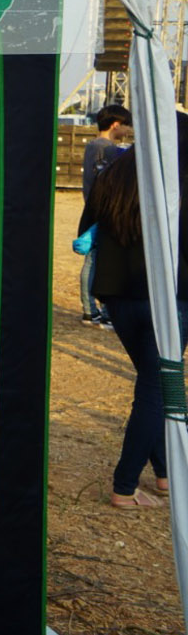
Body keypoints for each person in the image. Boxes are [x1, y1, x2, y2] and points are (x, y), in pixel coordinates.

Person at [80, 138, 181, 509]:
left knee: (154, 385)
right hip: (167, 297)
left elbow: (86, 229)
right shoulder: (174, 177)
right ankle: (124, 486)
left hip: (117, 294)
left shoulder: (112, 176)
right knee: (158, 389)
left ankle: (166, 471)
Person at [80, 104, 133, 327]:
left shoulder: (93, 146)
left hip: (93, 210)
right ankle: (101, 312)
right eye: (126, 126)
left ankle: (90, 310)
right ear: (115, 125)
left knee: (93, 260)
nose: (128, 130)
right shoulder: (109, 150)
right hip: (106, 214)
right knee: (100, 263)